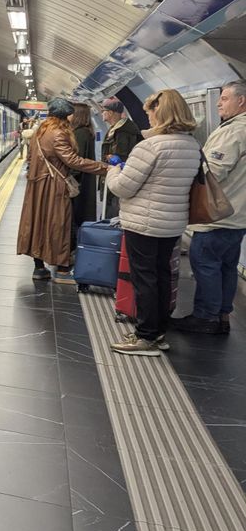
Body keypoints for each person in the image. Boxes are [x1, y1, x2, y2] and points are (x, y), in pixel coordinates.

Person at [105, 90, 200, 355]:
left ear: (160, 113)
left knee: (144, 278)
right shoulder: (191, 145)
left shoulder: (150, 146)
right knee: (161, 276)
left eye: (149, 112)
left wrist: (114, 171)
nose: (147, 118)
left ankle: (145, 337)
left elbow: (124, 187)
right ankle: (158, 332)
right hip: (171, 223)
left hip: (144, 222)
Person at [172, 80, 246, 335]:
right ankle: (223, 315)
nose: (218, 103)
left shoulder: (234, 131)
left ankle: (205, 317)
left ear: (242, 101)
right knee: (227, 267)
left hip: (218, 215)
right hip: (238, 216)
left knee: (205, 263)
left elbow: (213, 171)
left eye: (224, 98)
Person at [18, 98, 109, 283]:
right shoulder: (58, 133)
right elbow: (73, 160)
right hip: (54, 186)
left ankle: (39, 268)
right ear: (67, 115)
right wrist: (103, 167)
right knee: (59, 224)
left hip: (37, 185)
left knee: (38, 223)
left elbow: (30, 159)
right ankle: (62, 270)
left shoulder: (40, 131)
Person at [100, 97, 142, 219]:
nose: (102, 113)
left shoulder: (123, 131)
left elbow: (120, 155)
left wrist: (109, 157)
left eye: (104, 111)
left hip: (119, 178)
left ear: (111, 113)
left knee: (114, 212)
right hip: (115, 176)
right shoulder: (115, 129)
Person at [69, 102, 97, 231]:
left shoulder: (80, 133)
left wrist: (67, 178)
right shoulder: (87, 132)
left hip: (79, 182)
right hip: (85, 180)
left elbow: (76, 161)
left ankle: (75, 245)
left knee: (77, 215)